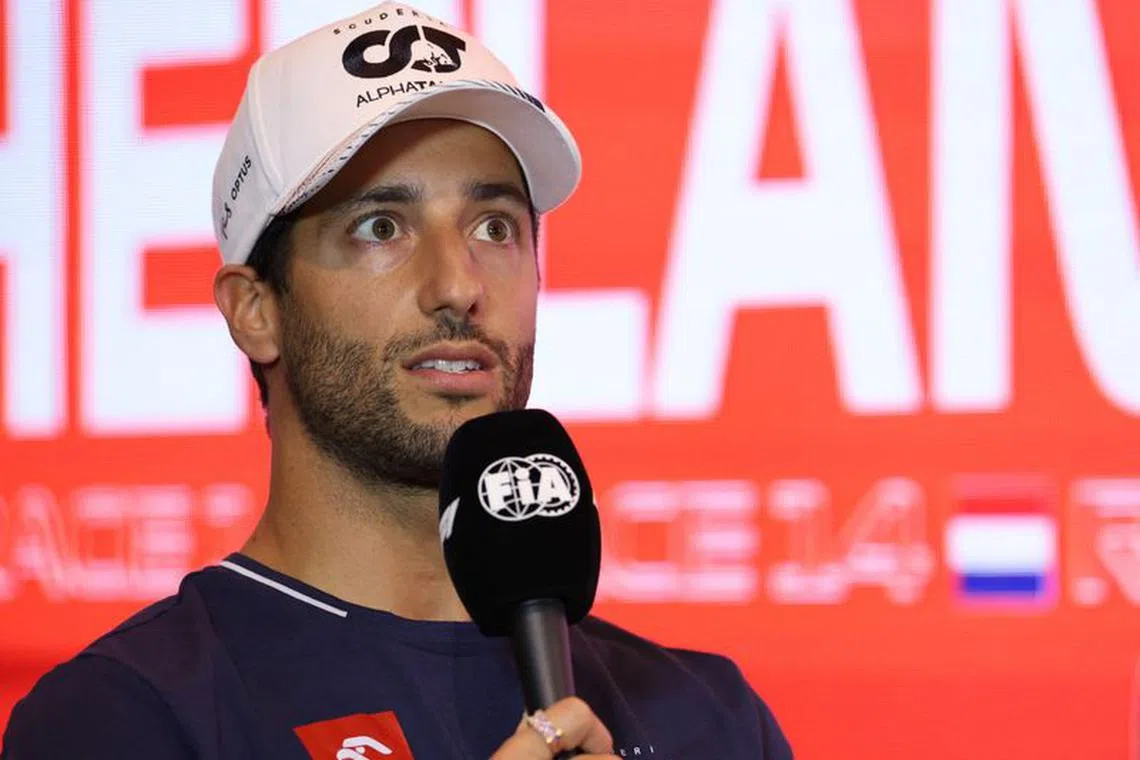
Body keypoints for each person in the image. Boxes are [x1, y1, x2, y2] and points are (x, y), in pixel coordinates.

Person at [1, 3, 793, 758]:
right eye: (381, 227)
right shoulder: (123, 718)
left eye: (495, 227)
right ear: (255, 311)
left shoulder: (708, 716)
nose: (458, 284)